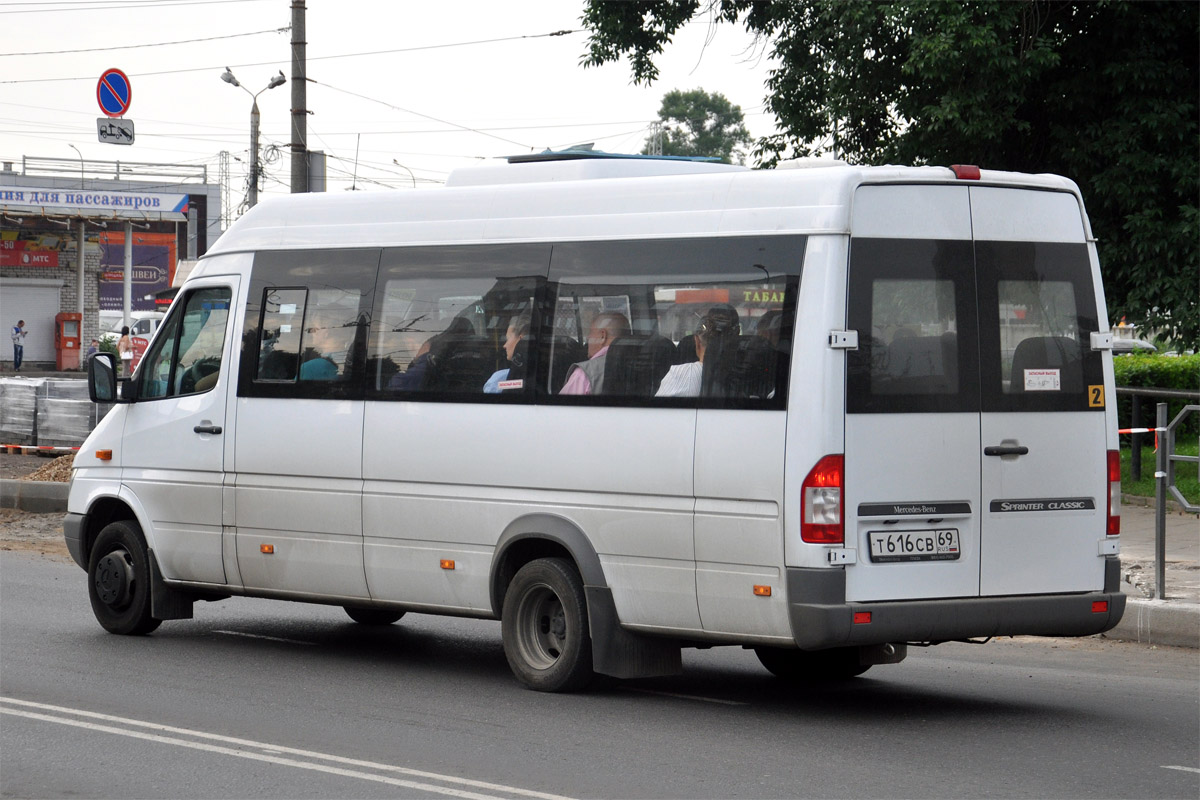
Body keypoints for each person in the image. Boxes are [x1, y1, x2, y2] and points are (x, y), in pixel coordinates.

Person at [656, 305, 740, 397]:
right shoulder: (747, 376)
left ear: (697, 341)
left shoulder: (681, 374)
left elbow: (656, 409)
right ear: (737, 334)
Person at [559, 312, 630, 396]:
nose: (588, 337)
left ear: (603, 336)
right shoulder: (641, 366)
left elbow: (561, 408)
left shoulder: (583, 374)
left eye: (591, 332)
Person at [484, 312, 531, 393]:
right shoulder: (543, 376)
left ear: (521, 339)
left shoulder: (498, 379)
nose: (504, 345)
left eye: (507, 339)